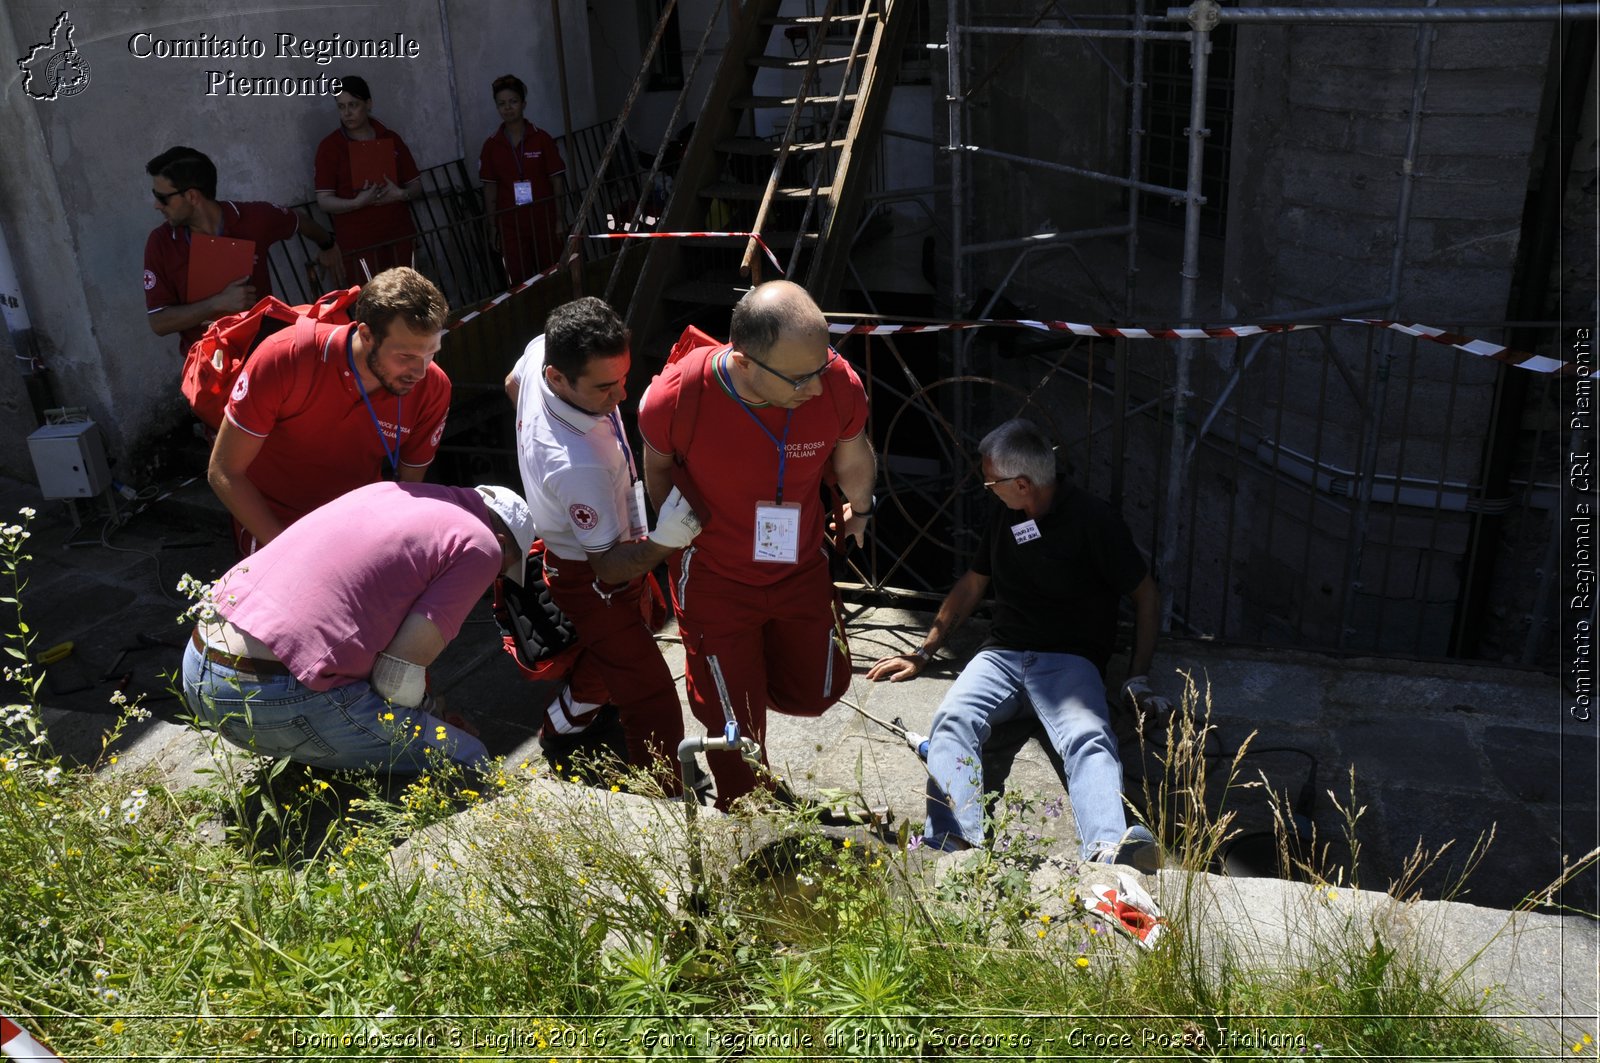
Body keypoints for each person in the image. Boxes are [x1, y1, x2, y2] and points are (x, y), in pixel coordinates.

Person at [865, 418, 1166, 870]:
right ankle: (953, 842)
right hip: (1002, 654)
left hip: (1070, 660)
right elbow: (973, 583)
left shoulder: (1094, 520)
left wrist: (1137, 676)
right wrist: (924, 651)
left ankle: (1109, 852)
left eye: (991, 481)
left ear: (1022, 483)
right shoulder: (1006, 513)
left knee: (1090, 739)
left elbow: (1146, 594)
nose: (987, 487)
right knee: (951, 719)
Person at [638, 280, 876, 808]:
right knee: (733, 725)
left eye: (823, 363)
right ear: (743, 363)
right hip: (717, 580)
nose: (816, 386)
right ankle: (750, 815)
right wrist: (675, 532)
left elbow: (853, 453)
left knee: (820, 689)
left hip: (800, 566)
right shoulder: (677, 397)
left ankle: (748, 675)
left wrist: (860, 509)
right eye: (800, 377)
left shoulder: (836, 383)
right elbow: (656, 468)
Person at [181, 481, 535, 773]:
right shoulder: (482, 545)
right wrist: (428, 717)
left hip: (197, 663)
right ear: (502, 545)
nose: (492, 581)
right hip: (269, 698)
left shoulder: (390, 492)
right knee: (470, 758)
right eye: (501, 573)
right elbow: (396, 676)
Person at [505, 297, 699, 789]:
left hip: (587, 542)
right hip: (594, 575)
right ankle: (666, 790)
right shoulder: (578, 462)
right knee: (649, 689)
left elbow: (512, 384)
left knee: (622, 646)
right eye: (605, 387)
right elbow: (610, 567)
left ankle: (565, 722)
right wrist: (666, 540)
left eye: (624, 377)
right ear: (558, 378)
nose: (622, 396)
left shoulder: (538, 354)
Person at [208, 266, 451, 555]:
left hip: (355, 531)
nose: (420, 371)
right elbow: (224, 471)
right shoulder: (286, 357)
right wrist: (289, 552)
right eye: (406, 356)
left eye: (431, 353)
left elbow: (411, 489)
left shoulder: (433, 388)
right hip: (276, 528)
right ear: (367, 335)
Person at [144, 146, 342, 354]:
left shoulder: (253, 218)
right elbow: (159, 322)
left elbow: (297, 219)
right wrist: (216, 304)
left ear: (192, 196)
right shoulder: (160, 243)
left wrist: (327, 244)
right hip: (209, 366)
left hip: (267, 353)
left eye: (162, 197)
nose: (157, 205)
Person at [314, 76, 422, 281]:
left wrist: (402, 194)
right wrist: (356, 203)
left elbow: (416, 185)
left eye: (353, 105)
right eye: (341, 107)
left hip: (399, 235)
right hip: (358, 244)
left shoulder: (390, 137)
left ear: (368, 104)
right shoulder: (330, 147)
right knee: (373, 305)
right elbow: (324, 200)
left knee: (408, 297)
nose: (347, 113)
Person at [479, 74, 568, 284]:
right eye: (501, 104)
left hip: (544, 220)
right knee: (519, 282)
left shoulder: (541, 138)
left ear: (523, 104)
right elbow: (489, 190)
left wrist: (560, 219)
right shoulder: (491, 146)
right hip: (511, 225)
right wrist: (493, 228)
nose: (507, 108)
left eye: (513, 102)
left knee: (553, 275)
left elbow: (557, 181)